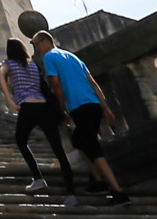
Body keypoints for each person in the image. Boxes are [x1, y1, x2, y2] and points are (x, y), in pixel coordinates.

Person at [33, 31, 128, 205]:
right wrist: (105, 107)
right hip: (93, 105)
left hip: (79, 106)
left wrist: (60, 109)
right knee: (78, 140)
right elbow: (92, 82)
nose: (36, 48)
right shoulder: (73, 57)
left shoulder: (49, 57)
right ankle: (98, 181)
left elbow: (55, 84)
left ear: (46, 41)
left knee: (93, 149)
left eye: (36, 44)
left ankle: (118, 191)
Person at [0, 37, 73, 198]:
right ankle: (71, 194)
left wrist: (10, 100)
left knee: (21, 140)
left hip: (28, 107)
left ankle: (38, 178)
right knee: (58, 151)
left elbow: (1, 74)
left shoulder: (9, 64)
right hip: (44, 107)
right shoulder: (33, 65)